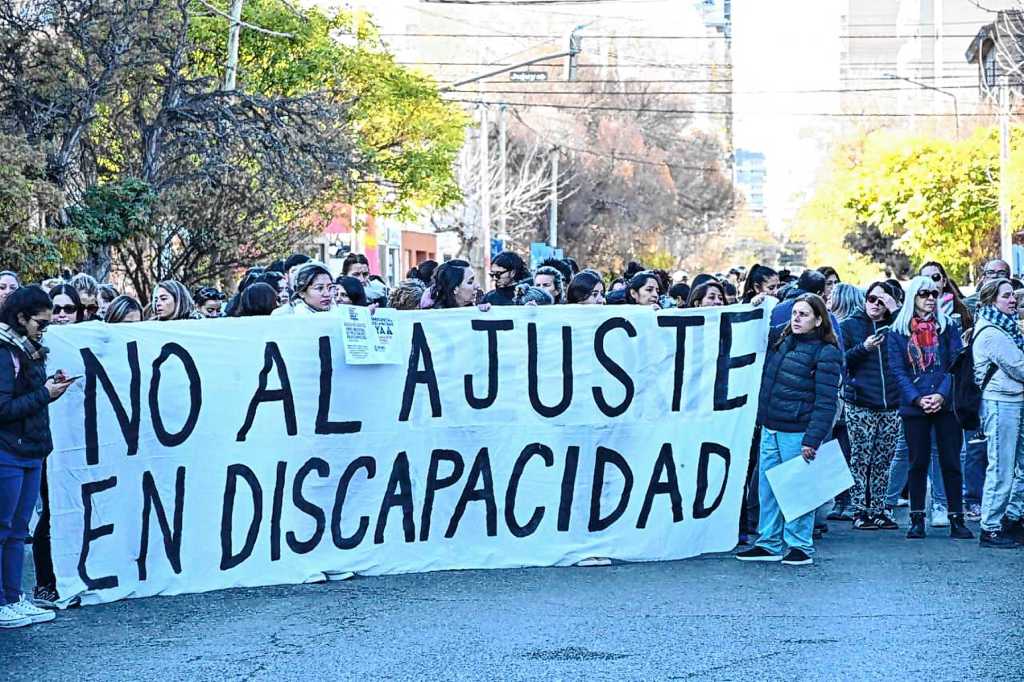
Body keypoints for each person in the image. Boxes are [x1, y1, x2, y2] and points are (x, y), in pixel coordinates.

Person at [736, 294, 842, 566]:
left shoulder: (826, 352)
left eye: (803, 314)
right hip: (771, 426)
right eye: (794, 313)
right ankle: (769, 542)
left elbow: (826, 401)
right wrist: (757, 304)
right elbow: (754, 326)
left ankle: (799, 546)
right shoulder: (783, 341)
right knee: (767, 489)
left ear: (818, 320)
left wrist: (813, 439)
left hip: (798, 431)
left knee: (797, 490)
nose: (796, 318)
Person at [0, 286, 76, 628]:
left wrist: (47, 389)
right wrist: (45, 393)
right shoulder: (5, 352)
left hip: (29, 450)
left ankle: (13, 598)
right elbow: (3, 408)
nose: (44, 328)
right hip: (9, 453)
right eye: (40, 322)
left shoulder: (25, 349)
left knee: (17, 531)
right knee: (4, 530)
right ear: (20, 318)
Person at [887, 276, 973, 540]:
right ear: (913, 296)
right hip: (915, 405)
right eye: (924, 294)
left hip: (945, 404)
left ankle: (956, 518)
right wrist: (916, 398)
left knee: (951, 461)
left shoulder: (948, 327)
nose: (930, 299)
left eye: (934, 294)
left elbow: (955, 365)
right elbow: (897, 370)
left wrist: (941, 395)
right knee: (917, 462)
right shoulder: (897, 331)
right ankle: (916, 519)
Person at [840, 281, 903, 530]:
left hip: (890, 404)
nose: (875, 305)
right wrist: (863, 348)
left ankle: (879, 508)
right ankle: (858, 510)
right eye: (871, 299)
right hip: (860, 402)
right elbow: (840, 361)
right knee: (860, 458)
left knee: (883, 460)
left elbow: (912, 342)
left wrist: (895, 309)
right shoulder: (849, 326)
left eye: (882, 300)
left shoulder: (896, 327)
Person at [971, 278, 1024, 548]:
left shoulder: (1007, 327)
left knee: (1018, 467)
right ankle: (990, 527)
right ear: (992, 300)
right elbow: (1019, 367)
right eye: (1006, 296)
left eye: (1013, 295)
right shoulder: (992, 332)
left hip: (1013, 400)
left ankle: (1013, 517)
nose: (1012, 300)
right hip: (1001, 402)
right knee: (1001, 467)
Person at [919, 261, 972, 331]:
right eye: (925, 279)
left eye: (935, 277)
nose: (930, 282)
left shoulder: (961, 311)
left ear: (944, 282)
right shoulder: (911, 313)